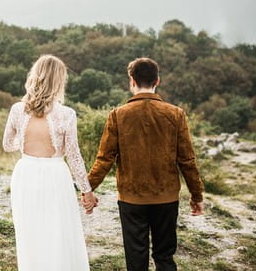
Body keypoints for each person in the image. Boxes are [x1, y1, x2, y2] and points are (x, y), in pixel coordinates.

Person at [87, 57, 204, 271]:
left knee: (136, 259)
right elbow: (187, 160)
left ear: (131, 81)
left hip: (131, 199)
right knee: (164, 257)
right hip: (167, 198)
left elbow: (105, 158)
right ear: (157, 81)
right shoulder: (176, 114)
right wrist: (197, 196)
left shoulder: (118, 115)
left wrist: (88, 188)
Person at [3, 54, 96, 271]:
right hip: (55, 175)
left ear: (34, 77)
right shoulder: (67, 115)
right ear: (58, 82)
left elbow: (7, 145)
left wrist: (26, 142)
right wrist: (87, 190)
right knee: (58, 231)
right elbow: (73, 156)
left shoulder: (17, 110)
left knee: (30, 232)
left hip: (25, 173)